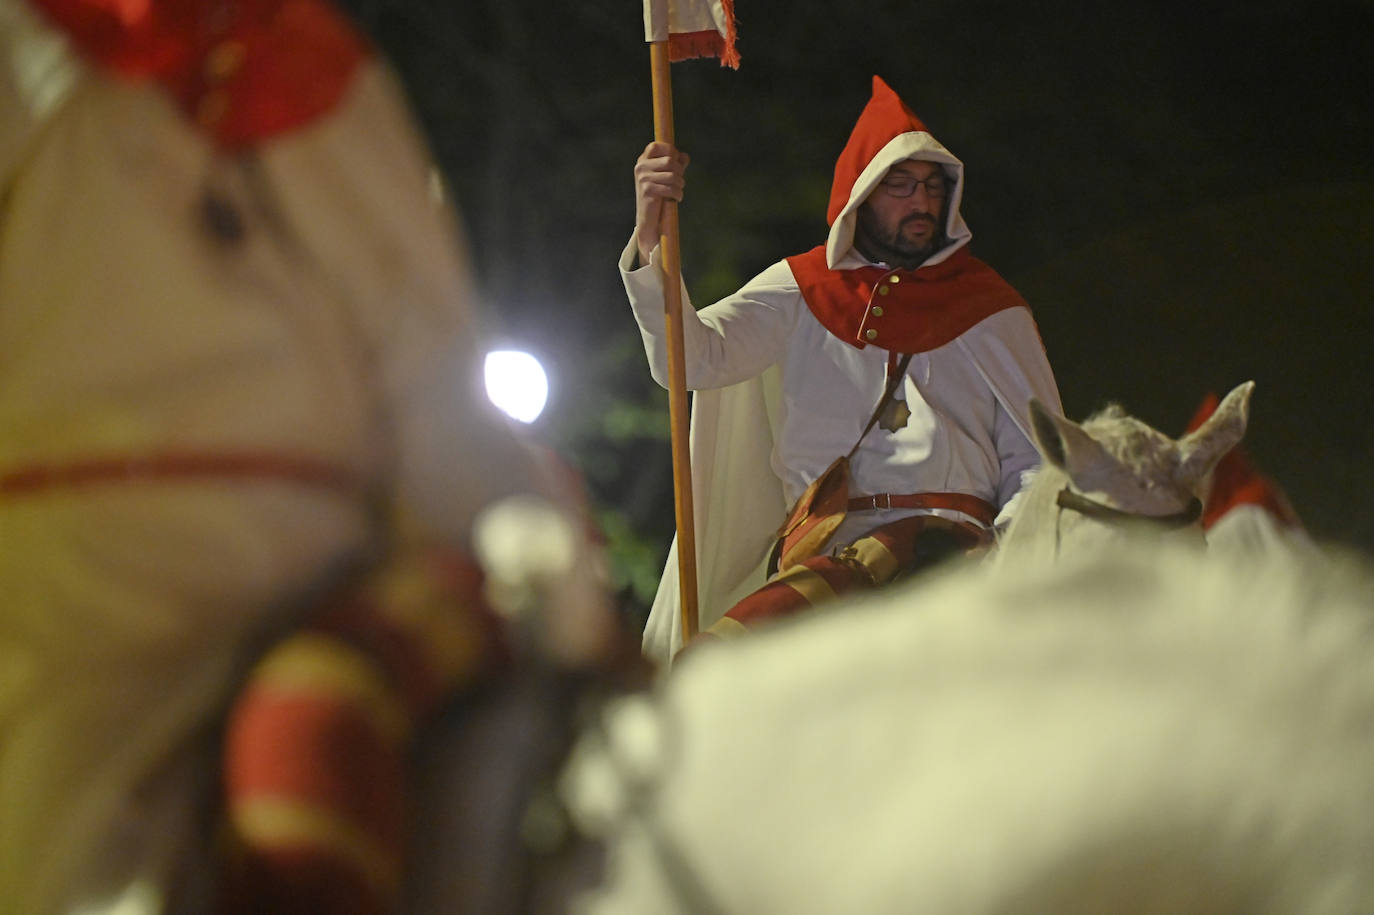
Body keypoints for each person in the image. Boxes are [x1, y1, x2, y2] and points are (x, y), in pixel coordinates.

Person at [0, 1, 609, 912]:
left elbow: (437, 393)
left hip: (326, 595)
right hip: (62, 623)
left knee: (320, 730)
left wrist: (533, 560)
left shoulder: (314, 72)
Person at [624, 76, 1062, 662]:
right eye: (900, 185)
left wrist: (1004, 553)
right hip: (827, 555)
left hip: (961, 553)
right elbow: (693, 360)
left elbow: (1038, 461)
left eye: (933, 186)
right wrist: (651, 242)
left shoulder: (993, 310)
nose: (922, 202)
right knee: (708, 670)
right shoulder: (799, 288)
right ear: (861, 195)